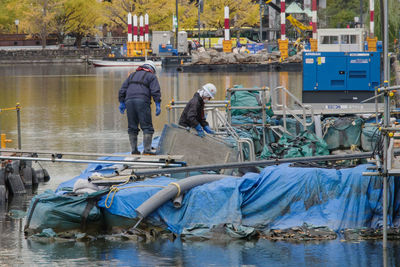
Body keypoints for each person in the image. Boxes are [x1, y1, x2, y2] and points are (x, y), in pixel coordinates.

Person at [118, 60, 161, 155]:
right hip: (142, 101)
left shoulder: (132, 75)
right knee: (147, 127)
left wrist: (122, 102)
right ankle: (147, 150)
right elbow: (155, 90)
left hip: (129, 101)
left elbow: (122, 89)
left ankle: (134, 150)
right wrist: (157, 103)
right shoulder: (152, 76)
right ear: (152, 69)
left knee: (132, 127)